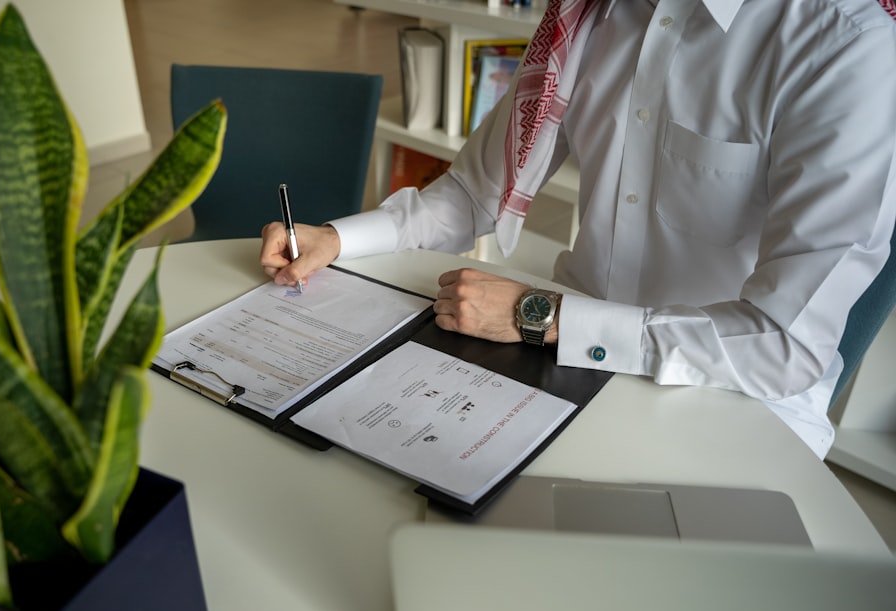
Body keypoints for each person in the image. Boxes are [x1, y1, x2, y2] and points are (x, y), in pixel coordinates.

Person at [261, 0, 896, 459]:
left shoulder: (846, 44)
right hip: (559, 364)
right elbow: (470, 196)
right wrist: (338, 239)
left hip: (738, 403)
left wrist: (544, 316)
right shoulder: (592, 15)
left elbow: (782, 344)